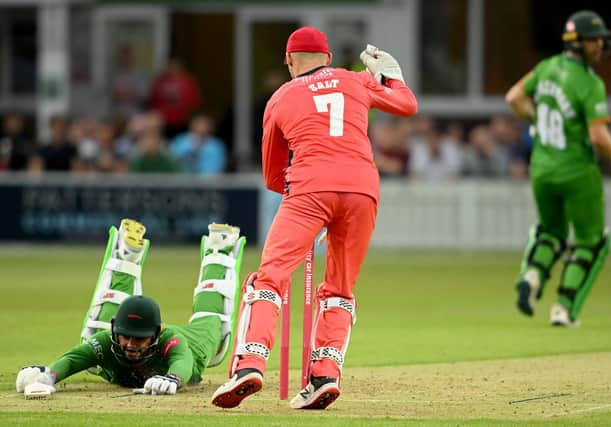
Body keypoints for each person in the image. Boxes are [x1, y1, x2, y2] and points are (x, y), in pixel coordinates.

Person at [211, 26, 417, 410]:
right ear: (329, 58)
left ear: (289, 60)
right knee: (339, 288)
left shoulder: (280, 97)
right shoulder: (354, 80)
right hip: (362, 190)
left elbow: (273, 176)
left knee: (269, 278)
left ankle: (250, 365)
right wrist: (391, 75)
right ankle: (324, 375)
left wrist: (312, 209)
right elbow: (406, 106)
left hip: (308, 190)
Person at [505, 10, 611, 327]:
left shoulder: (548, 67)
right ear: (578, 43)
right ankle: (563, 308)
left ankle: (533, 275)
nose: (600, 46)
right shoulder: (591, 83)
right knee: (591, 241)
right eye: (595, 40)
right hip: (578, 171)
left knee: (551, 231)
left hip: (542, 168)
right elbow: (598, 136)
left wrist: (536, 119)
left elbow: (514, 97)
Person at [16, 219, 246, 395]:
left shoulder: (172, 341)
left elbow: (182, 361)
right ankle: (127, 255)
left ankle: (219, 247)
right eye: (125, 336)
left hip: (196, 341)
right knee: (95, 330)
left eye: (139, 339)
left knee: (213, 317)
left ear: (156, 334)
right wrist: (47, 377)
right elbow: (73, 358)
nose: (129, 344)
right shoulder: (110, 338)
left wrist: (173, 378)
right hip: (117, 353)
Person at [149, 58, 201, 140]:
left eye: (176, 66)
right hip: (162, 120)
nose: (172, 69)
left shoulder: (188, 82)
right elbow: (153, 100)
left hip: (180, 120)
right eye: (171, 66)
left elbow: (193, 102)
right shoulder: (161, 81)